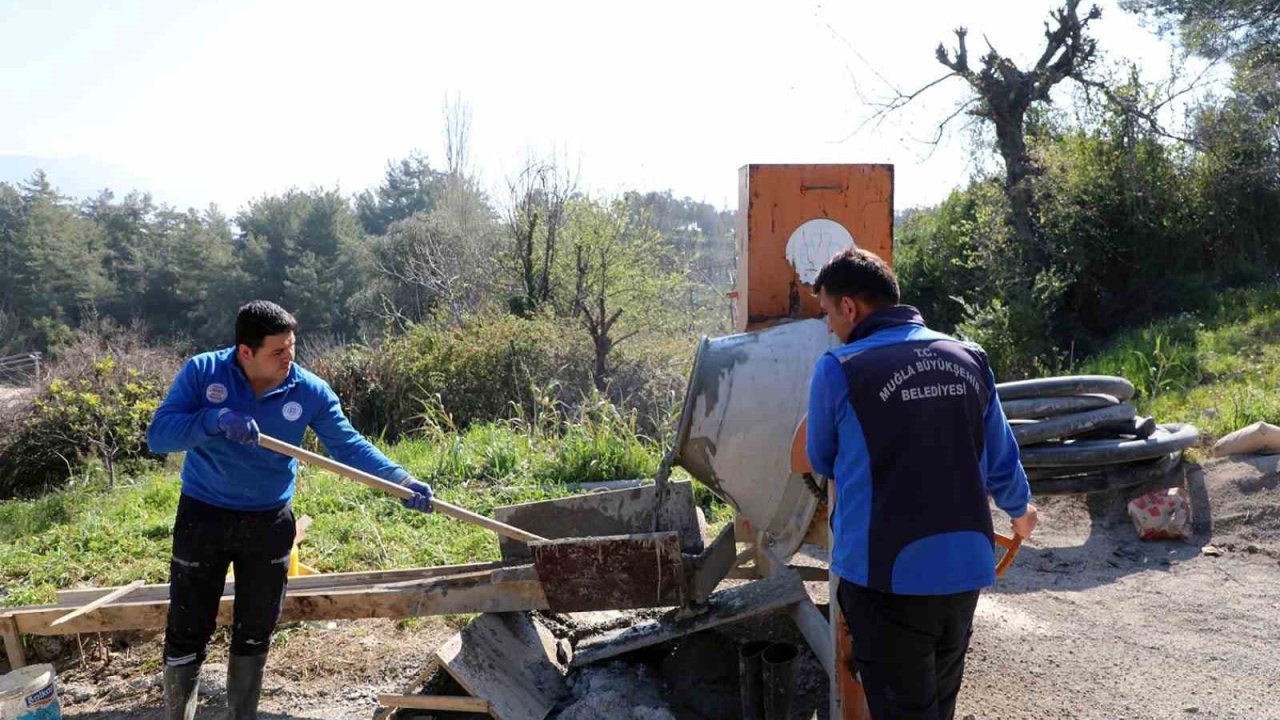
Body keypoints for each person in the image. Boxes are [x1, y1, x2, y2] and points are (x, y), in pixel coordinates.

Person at [147, 300, 434, 720]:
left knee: (256, 628)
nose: (289, 358)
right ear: (246, 352)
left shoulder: (308, 390)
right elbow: (159, 436)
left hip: (268, 521)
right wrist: (214, 419)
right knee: (188, 627)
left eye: (292, 347)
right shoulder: (203, 372)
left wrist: (401, 480)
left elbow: (347, 445)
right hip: (203, 516)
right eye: (277, 351)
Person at [805, 248, 1038, 720]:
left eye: (829, 311)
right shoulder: (969, 357)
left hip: (884, 577)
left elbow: (820, 459)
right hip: (963, 569)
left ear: (850, 307)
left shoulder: (840, 368)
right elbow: (1000, 456)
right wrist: (1021, 510)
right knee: (938, 703)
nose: (829, 325)